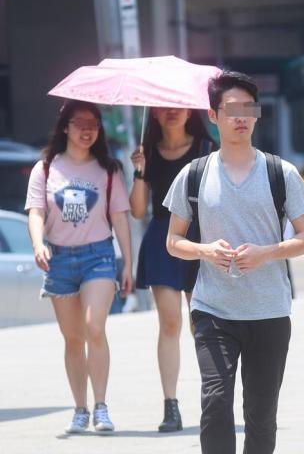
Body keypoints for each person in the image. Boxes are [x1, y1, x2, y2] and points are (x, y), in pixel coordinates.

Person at [164, 71, 304, 453]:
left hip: (269, 309)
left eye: (248, 108)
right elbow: (173, 241)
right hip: (212, 309)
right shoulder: (194, 175)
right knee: (215, 404)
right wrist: (204, 250)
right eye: (231, 109)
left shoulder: (281, 172)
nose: (240, 117)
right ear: (213, 116)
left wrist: (267, 251)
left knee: (261, 415)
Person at [25, 100, 132, 433]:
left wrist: (128, 262)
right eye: (80, 122)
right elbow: (36, 212)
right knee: (73, 339)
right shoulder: (45, 168)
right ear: (66, 127)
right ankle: (80, 409)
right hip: (59, 259)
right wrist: (38, 243)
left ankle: (101, 407)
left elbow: (119, 217)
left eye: (94, 124)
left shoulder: (108, 169)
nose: (88, 129)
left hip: (98, 256)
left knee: (94, 327)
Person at [129, 107, 216, 432]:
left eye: (177, 105)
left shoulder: (206, 150)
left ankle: (214, 400)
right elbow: (138, 211)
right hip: (161, 238)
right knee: (169, 323)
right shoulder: (147, 152)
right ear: (152, 114)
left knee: (202, 324)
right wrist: (138, 170)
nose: (171, 112)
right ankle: (171, 406)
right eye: (162, 107)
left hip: (200, 239)